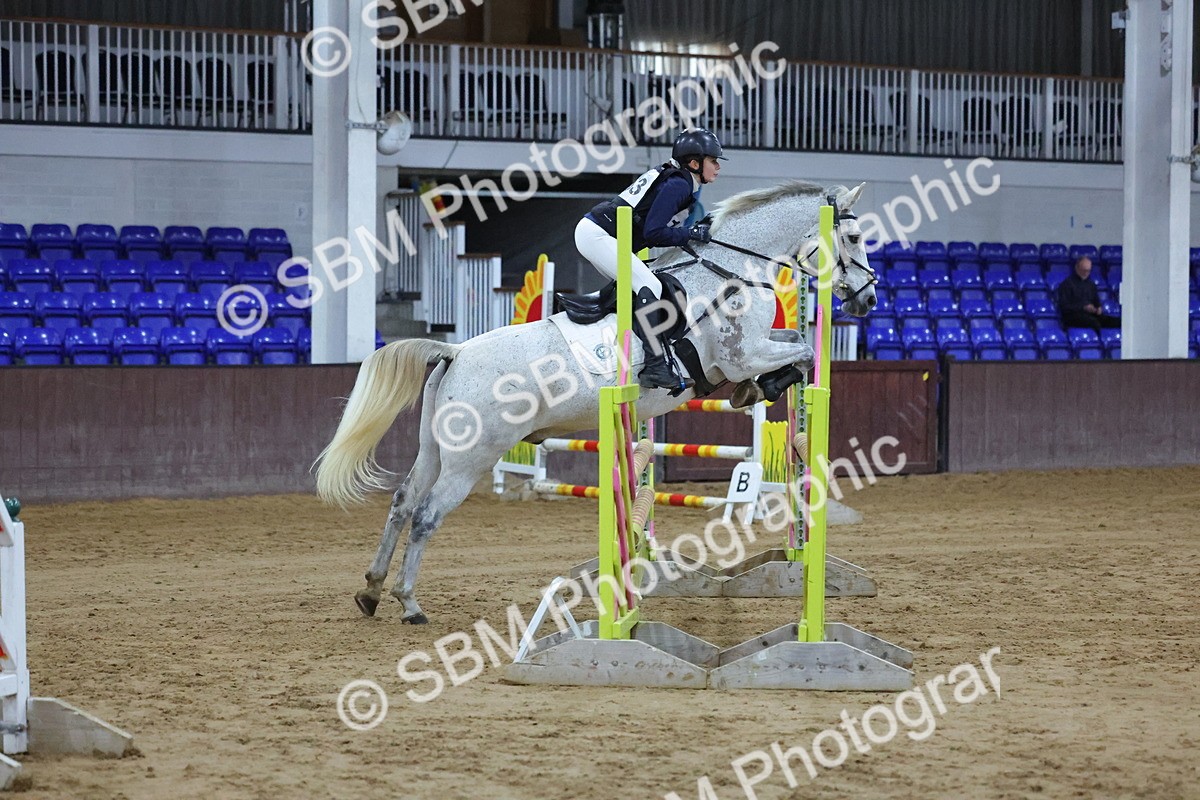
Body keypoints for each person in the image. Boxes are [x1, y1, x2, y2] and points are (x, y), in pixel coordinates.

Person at [574, 128, 724, 389]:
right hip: (598, 235)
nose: (718, 167)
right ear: (694, 163)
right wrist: (689, 234)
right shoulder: (679, 184)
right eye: (713, 161)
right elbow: (653, 232)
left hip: (600, 233)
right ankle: (655, 367)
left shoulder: (679, 179)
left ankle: (629, 350)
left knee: (641, 284)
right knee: (649, 285)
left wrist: (690, 232)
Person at [1056, 256, 1119, 333]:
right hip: (1073, 316)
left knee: (1117, 322)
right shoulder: (1067, 284)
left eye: (1088, 271)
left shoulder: (1091, 284)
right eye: (1084, 270)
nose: (1086, 273)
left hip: (1089, 315)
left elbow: (1096, 301)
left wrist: (1098, 308)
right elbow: (1064, 307)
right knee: (1094, 323)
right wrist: (1083, 308)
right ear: (1077, 268)